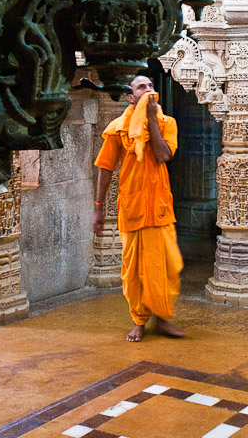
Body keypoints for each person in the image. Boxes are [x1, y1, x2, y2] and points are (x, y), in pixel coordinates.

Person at [93, 73, 185, 341]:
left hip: (159, 209)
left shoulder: (167, 123)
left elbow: (164, 154)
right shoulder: (117, 128)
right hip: (132, 208)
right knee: (133, 271)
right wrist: (99, 208)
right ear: (131, 97)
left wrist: (152, 121)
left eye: (151, 86)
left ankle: (163, 317)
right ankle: (139, 321)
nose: (148, 90)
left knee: (167, 267)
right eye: (141, 87)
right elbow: (105, 167)